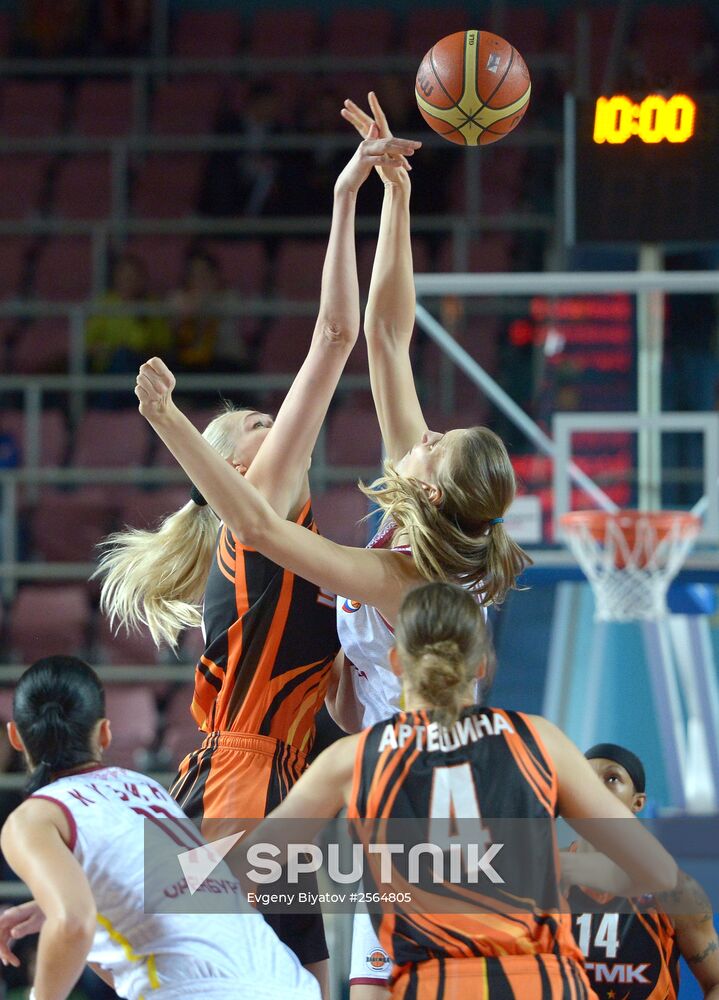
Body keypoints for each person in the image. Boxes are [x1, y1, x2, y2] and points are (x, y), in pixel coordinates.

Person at [97, 129, 421, 998]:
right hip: (245, 777)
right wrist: (347, 195)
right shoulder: (262, 509)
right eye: (255, 425)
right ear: (240, 468)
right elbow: (337, 333)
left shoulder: (293, 535)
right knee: (232, 979)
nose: (274, 425)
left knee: (299, 981)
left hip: (277, 771)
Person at [248, 581, 680, 999]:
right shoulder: (539, 740)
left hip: (434, 983)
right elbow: (657, 873)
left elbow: (247, 866)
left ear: (397, 663)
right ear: (481, 666)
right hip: (541, 980)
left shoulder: (356, 757)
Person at [0, 655, 321, 1000]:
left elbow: (74, 924)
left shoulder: (32, 818)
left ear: (16, 736)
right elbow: (187, 880)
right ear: (105, 734)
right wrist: (59, 902)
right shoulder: (146, 788)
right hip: (287, 981)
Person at [563, 743, 719, 1000]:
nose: (596, 789)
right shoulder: (545, 874)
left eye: (612, 778)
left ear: (637, 802)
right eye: (586, 778)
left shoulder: (676, 892)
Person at [85, 253, 170, 376]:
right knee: (121, 357)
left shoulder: (151, 306)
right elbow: (89, 343)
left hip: (143, 369)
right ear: (116, 278)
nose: (128, 281)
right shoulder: (104, 305)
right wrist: (108, 350)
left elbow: (163, 344)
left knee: (126, 357)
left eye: (133, 277)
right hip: (109, 368)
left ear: (142, 279)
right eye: (124, 277)